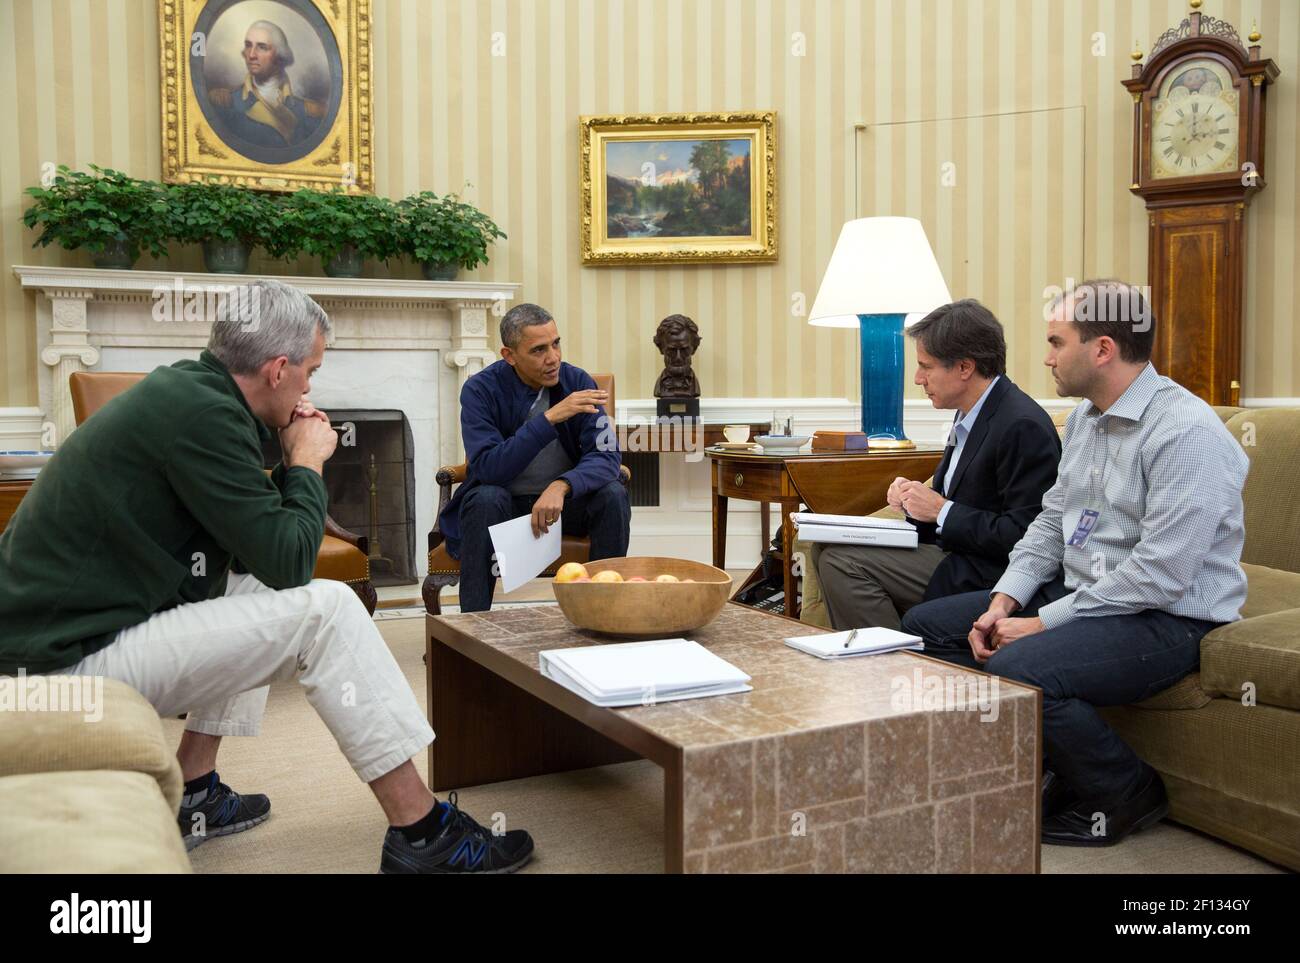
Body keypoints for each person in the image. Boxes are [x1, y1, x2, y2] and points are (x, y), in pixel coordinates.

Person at [0, 279, 533, 874]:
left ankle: (194, 788)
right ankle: (422, 832)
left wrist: (283, 452)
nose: (311, 386)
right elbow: (287, 558)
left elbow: (257, 554)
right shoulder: (202, 416)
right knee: (327, 611)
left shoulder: (194, 393)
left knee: (254, 593)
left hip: (62, 637)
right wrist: (306, 459)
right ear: (278, 369)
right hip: (53, 668)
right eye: (310, 370)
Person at [902, 279, 1250, 847]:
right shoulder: (1086, 420)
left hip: (1169, 617)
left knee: (1022, 667)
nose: (1045, 356)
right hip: (1089, 596)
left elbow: (1158, 575)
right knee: (926, 630)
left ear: (1103, 349)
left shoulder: (1185, 432)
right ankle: (1051, 768)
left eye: (1056, 341)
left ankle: (1127, 791)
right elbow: (1049, 524)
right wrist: (1004, 601)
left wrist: (1042, 623)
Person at [814, 299, 1061, 630]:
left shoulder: (1022, 425)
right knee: (825, 548)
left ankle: (886, 667)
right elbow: (955, 502)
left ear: (964, 367)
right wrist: (912, 502)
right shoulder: (969, 413)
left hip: (986, 570)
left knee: (841, 561)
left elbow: (1025, 535)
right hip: (954, 551)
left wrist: (941, 510)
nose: (918, 378)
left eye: (926, 367)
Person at [439, 303, 630, 612]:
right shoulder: (479, 390)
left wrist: (561, 485)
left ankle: (605, 613)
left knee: (613, 494)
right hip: (506, 507)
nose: (553, 357)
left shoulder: (578, 382)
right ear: (509, 355)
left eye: (556, 344)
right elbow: (488, 467)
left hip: (563, 506)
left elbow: (607, 456)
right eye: (539, 350)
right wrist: (549, 419)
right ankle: (472, 628)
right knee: (484, 498)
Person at [207, 20, 326, 149]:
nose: (251, 55)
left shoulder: (311, 112)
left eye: (262, 47)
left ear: (280, 55)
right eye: (248, 45)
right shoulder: (226, 103)